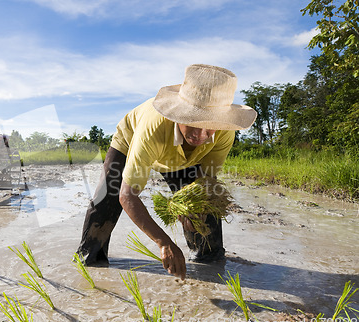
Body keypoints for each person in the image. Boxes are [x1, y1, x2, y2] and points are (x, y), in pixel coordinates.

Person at [75, 64, 257, 280]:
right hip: (130, 140)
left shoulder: (225, 132)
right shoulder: (152, 127)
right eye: (193, 122)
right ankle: (89, 263)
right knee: (107, 198)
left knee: (205, 210)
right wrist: (163, 242)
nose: (200, 134)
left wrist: (192, 208)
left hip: (186, 159)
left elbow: (206, 181)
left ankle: (208, 266)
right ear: (180, 114)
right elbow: (127, 195)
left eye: (210, 127)